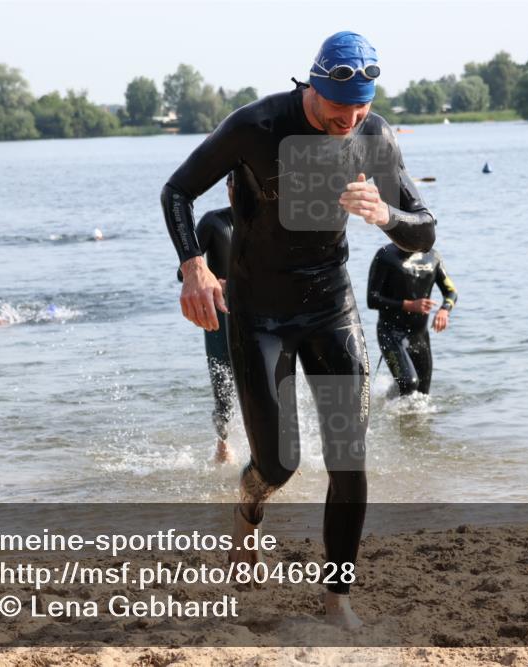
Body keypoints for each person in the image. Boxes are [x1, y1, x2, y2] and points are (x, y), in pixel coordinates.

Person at [160, 31, 436, 629]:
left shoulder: (374, 136)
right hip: (259, 315)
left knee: (348, 457)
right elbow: (177, 191)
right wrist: (194, 266)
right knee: (279, 464)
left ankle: (337, 599)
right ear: (313, 86)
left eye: (360, 108)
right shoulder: (255, 126)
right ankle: (248, 509)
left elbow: (424, 227)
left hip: (331, 308)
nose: (349, 121)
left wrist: (386, 215)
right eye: (339, 108)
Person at [176, 173, 237, 464]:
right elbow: (184, 273)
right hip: (220, 315)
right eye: (233, 186)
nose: (237, 191)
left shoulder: (265, 223)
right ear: (228, 188)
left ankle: (269, 448)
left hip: (257, 312)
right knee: (222, 381)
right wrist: (214, 281)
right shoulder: (214, 222)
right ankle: (223, 446)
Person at [367, 244, 457, 396]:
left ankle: (389, 403)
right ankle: (390, 405)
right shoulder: (385, 255)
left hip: (419, 336)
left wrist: (444, 310)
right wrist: (408, 305)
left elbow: (451, 292)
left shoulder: (433, 257)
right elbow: (372, 299)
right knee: (409, 382)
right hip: (390, 334)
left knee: (422, 393)